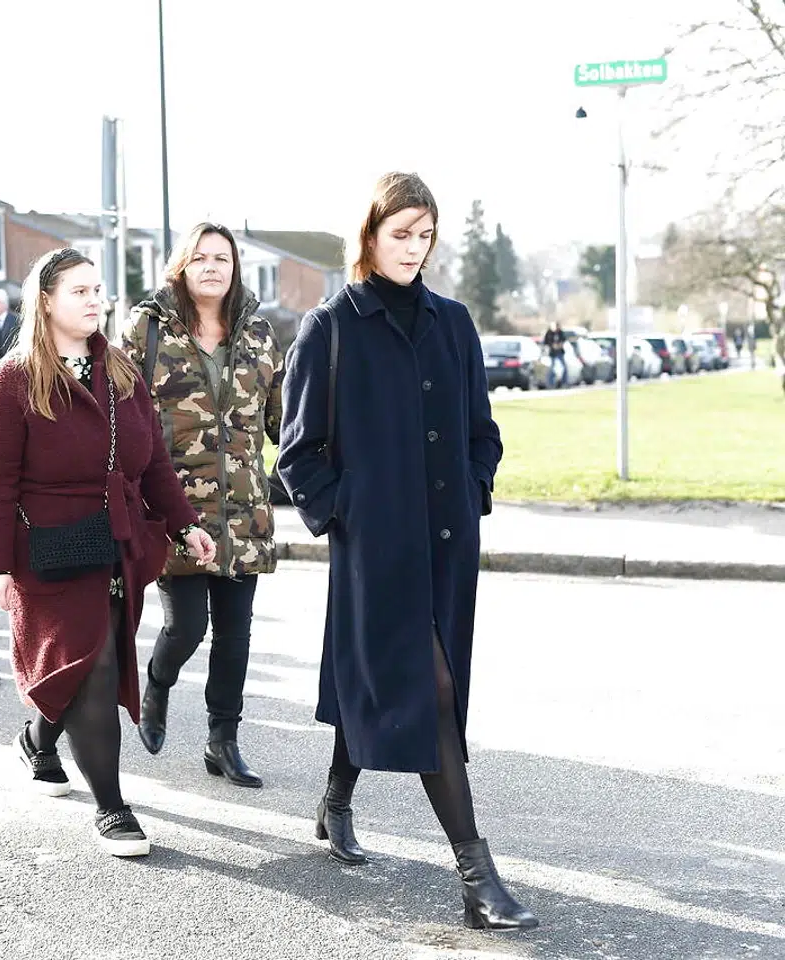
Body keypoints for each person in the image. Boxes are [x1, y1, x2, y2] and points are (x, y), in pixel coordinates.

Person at [276, 172, 535, 931]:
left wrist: (473, 487)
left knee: (400, 683)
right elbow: (299, 454)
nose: (414, 249)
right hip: (378, 553)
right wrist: (350, 513)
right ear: (370, 235)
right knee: (429, 692)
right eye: (401, 234)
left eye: (425, 235)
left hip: (449, 548)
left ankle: (335, 796)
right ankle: (477, 876)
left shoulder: (453, 323)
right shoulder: (330, 328)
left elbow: (482, 431)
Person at [0, 248, 213, 857]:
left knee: (84, 664)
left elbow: (154, 462)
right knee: (95, 667)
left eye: (98, 288)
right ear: (46, 301)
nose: (94, 299)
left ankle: (37, 737)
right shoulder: (12, 379)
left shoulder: (123, 373)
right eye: (79, 290)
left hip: (117, 547)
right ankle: (111, 806)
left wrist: (185, 526)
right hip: (46, 554)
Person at [121, 222, 284, 789]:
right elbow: (121, 414)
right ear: (181, 267)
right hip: (176, 510)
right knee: (187, 627)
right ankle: (157, 686)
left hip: (245, 511)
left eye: (223, 258)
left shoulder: (260, 334)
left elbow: (281, 420)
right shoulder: (147, 329)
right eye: (201, 258)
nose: (213, 267)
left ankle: (223, 739)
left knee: (235, 632)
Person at [543, 321, 567, 388]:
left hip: (560, 352)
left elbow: (564, 340)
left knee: (564, 367)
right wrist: (552, 346)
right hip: (552, 353)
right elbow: (546, 342)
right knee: (552, 368)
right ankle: (550, 383)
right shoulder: (549, 333)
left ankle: (564, 383)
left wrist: (560, 345)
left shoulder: (560, 332)